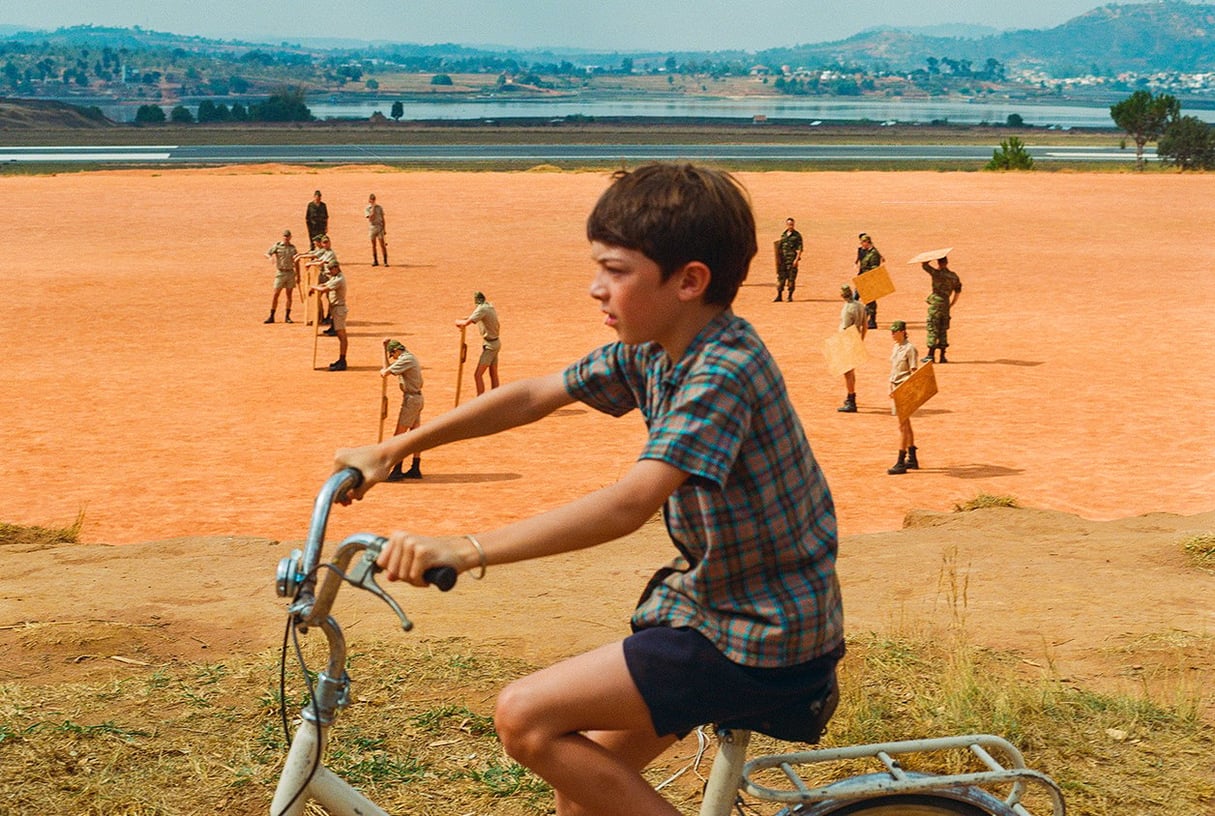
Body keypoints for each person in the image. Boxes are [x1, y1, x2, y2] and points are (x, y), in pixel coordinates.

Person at [334, 163, 844, 816]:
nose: (595, 288)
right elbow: (533, 395)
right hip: (714, 610)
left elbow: (629, 503)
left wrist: (464, 550)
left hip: (759, 636)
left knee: (522, 716)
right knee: (584, 801)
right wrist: (394, 448)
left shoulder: (722, 370)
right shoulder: (658, 347)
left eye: (616, 271)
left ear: (688, 281)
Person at [381, 338, 423, 480]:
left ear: (397, 351)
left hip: (411, 400)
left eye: (392, 355)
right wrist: (384, 348)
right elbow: (388, 368)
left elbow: (385, 372)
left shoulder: (406, 360)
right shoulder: (406, 357)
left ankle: (397, 470)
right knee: (415, 436)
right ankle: (415, 468)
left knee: (399, 436)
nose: (393, 358)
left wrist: (383, 371)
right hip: (415, 398)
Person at [887, 319, 919, 475]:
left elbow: (914, 373)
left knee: (902, 427)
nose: (892, 334)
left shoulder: (910, 349)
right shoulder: (896, 347)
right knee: (907, 424)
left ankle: (901, 461)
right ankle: (912, 458)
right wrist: (890, 387)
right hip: (895, 388)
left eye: (895, 331)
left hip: (904, 389)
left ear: (902, 332)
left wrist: (907, 392)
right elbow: (894, 370)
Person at [455, 291, 501, 395]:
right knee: (493, 373)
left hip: (490, 346)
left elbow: (467, 322)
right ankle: (496, 398)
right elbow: (474, 317)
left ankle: (480, 400)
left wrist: (458, 322)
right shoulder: (489, 306)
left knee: (478, 375)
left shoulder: (482, 309)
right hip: (496, 343)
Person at [920, 256, 962, 363]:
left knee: (933, 327)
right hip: (946, 304)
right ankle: (943, 356)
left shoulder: (936, 274)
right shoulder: (953, 276)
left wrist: (930, 257)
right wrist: (951, 304)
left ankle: (930, 355)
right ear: (947, 262)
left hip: (936, 304)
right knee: (943, 329)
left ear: (938, 263)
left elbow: (924, 265)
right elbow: (958, 291)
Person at [310, 257, 348, 371]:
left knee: (342, 336)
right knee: (340, 335)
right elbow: (324, 284)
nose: (330, 272)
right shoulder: (335, 277)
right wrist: (317, 287)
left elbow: (324, 289)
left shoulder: (339, 279)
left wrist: (313, 287)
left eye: (331, 269)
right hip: (336, 309)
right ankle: (341, 359)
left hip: (339, 309)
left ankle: (342, 360)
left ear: (336, 268)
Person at [836, 284, 867, 413]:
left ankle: (851, 400)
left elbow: (846, 328)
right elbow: (865, 325)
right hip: (856, 338)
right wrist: (861, 340)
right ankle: (851, 396)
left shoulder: (847, 309)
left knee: (847, 372)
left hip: (847, 340)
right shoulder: (860, 305)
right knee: (851, 371)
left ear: (842, 295)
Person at [264, 228, 299, 324]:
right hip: (280, 272)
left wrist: (298, 275)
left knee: (289, 295)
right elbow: (267, 253)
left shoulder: (293, 248)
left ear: (290, 237)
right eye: (285, 236)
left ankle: (287, 316)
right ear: (282, 237)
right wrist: (270, 258)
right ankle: (272, 315)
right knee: (276, 294)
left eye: (288, 236)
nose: (286, 238)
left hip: (290, 272)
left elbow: (296, 262)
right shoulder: (278, 246)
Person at [854, 232, 884, 330]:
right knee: (856, 297)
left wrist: (868, 278)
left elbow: (875, 268)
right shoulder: (865, 251)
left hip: (869, 279)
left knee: (870, 301)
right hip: (862, 278)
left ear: (867, 242)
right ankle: (864, 319)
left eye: (863, 242)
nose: (861, 244)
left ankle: (871, 321)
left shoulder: (874, 254)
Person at [774, 216, 802, 302]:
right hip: (783, 261)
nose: (790, 226)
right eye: (789, 224)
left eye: (792, 224)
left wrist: (796, 260)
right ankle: (779, 296)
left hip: (791, 261)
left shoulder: (797, 236)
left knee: (791, 279)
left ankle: (790, 296)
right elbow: (779, 248)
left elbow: (799, 249)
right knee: (781, 279)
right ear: (786, 225)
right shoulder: (784, 235)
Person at [365, 193, 388, 266]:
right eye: (371, 200)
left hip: (379, 227)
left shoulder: (380, 208)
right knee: (373, 245)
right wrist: (373, 208)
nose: (373, 201)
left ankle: (385, 261)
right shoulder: (367, 209)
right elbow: (370, 218)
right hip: (372, 227)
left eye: (374, 200)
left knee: (382, 244)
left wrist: (384, 229)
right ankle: (375, 260)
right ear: (369, 200)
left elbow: (383, 218)